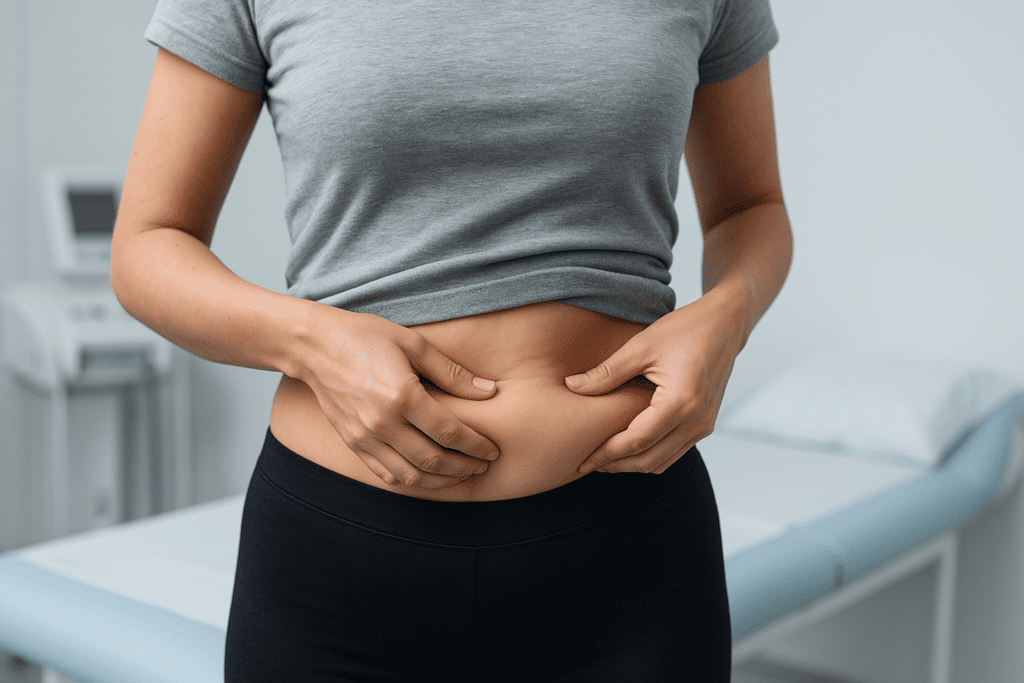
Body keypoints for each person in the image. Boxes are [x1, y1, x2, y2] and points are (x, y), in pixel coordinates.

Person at [113, 0, 792, 680]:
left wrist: (726, 319)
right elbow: (148, 246)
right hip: (338, 572)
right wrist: (313, 342)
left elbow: (750, 206)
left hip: (630, 560)